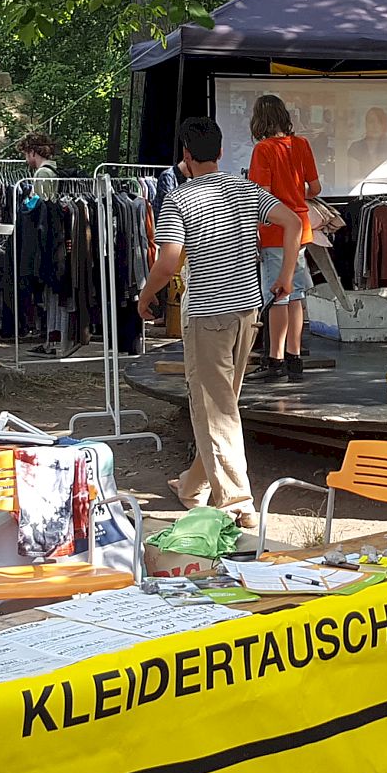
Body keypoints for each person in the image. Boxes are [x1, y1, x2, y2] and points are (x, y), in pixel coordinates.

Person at [134, 118, 299, 528]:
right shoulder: (246, 188)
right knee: (220, 407)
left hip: (208, 313)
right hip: (249, 310)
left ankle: (237, 502)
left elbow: (169, 259)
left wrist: (145, 294)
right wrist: (286, 277)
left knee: (214, 410)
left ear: (186, 156)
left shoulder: (177, 198)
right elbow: (294, 222)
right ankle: (193, 486)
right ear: (221, 152)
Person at [245, 95, 321, 383]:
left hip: (276, 229)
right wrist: (296, 196)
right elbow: (315, 187)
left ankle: (274, 359)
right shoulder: (301, 144)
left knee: (278, 293)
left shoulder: (263, 150)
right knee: (296, 294)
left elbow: (261, 194)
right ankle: (294, 357)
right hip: (301, 226)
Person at [346, 107, 387, 179]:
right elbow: (353, 179)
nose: (375, 126)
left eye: (379, 122)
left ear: (384, 125)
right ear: (366, 125)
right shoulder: (356, 147)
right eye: (371, 121)